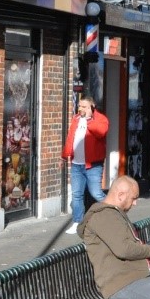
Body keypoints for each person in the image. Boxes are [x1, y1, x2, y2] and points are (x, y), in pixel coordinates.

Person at [63, 96, 109, 234]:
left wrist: (89, 120)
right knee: (76, 195)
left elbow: (101, 133)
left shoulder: (101, 119)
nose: (80, 108)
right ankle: (77, 222)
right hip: (77, 164)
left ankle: (115, 212)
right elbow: (71, 138)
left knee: (96, 193)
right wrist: (64, 156)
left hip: (92, 165)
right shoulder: (76, 119)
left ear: (91, 107)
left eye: (84, 106)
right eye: (80, 106)